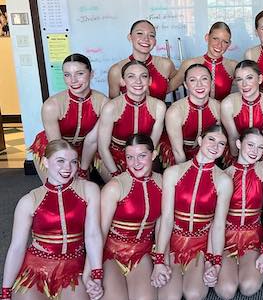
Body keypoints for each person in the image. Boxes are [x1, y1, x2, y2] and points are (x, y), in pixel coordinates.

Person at [0, 140, 103, 300]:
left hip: (72, 268)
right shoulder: (29, 200)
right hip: (36, 270)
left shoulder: (89, 190)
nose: (67, 168)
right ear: (45, 162)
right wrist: (5, 291)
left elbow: (92, 234)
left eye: (73, 162)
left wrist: (96, 274)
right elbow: (17, 247)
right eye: (60, 161)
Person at [150, 125, 233, 300]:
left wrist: (215, 262)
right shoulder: (173, 173)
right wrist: (159, 260)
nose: (215, 146)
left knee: (194, 296)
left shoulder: (223, 181)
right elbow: (166, 219)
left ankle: (197, 271)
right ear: (200, 140)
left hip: (200, 246)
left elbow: (218, 225)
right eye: (211, 139)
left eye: (221, 143)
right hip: (174, 242)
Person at [97, 135, 161, 300]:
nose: (136, 163)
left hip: (142, 251)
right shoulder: (114, 187)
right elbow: (99, 231)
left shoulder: (163, 182)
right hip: (112, 253)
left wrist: (160, 260)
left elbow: (161, 225)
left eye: (142, 156)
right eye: (130, 157)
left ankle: (128, 284)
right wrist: (92, 270)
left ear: (154, 154)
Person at [215, 128, 263, 299]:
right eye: (250, 145)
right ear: (238, 144)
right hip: (227, 237)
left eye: (260, 147)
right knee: (226, 291)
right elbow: (216, 220)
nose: (254, 151)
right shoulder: (224, 174)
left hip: (252, 236)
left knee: (248, 287)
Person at [30, 54, 108, 182]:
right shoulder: (51, 105)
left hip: (87, 149)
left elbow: (92, 140)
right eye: (67, 75)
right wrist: (70, 171)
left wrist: (82, 170)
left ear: (91, 74)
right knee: (62, 187)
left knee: (83, 188)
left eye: (80, 73)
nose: (73, 80)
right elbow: (57, 146)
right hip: (54, 147)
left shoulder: (104, 103)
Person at [97, 60, 166, 181]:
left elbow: (152, 145)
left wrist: (141, 165)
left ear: (149, 81)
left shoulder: (159, 107)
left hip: (143, 156)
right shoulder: (111, 107)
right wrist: (115, 175)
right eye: (131, 76)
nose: (138, 81)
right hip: (114, 157)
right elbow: (103, 148)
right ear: (123, 81)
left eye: (143, 76)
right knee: (122, 188)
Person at [159, 64, 221, 167]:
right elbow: (177, 151)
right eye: (193, 80)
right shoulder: (175, 111)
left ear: (211, 82)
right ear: (186, 85)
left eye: (204, 79)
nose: (199, 85)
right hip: (178, 154)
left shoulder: (218, 107)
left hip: (205, 152)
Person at [220, 60, 263, 163]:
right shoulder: (227, 103)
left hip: (261, 151)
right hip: (236, 151)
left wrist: (256, 161)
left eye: (249, 78)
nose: (244, 84)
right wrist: (237, 163)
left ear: (260, 79)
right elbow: (233, 137)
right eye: (239, 79)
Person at [107, 20, 175, 100]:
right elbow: (114, 105)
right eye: (140, 33)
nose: (146, 39)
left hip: (161, 111)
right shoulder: (116, 70)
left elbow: (183, 80)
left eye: (151, 35)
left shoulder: (166, 64)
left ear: (155, 42)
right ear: (130, 37)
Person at [168, 22, 237, 100]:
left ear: (229, 44)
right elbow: (168, 88)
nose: (219, 45)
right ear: (207, 37)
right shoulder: (190, 64)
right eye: (215, 39)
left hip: (224, 111)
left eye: (225, 42)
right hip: (195, 111)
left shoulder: (233, 66)